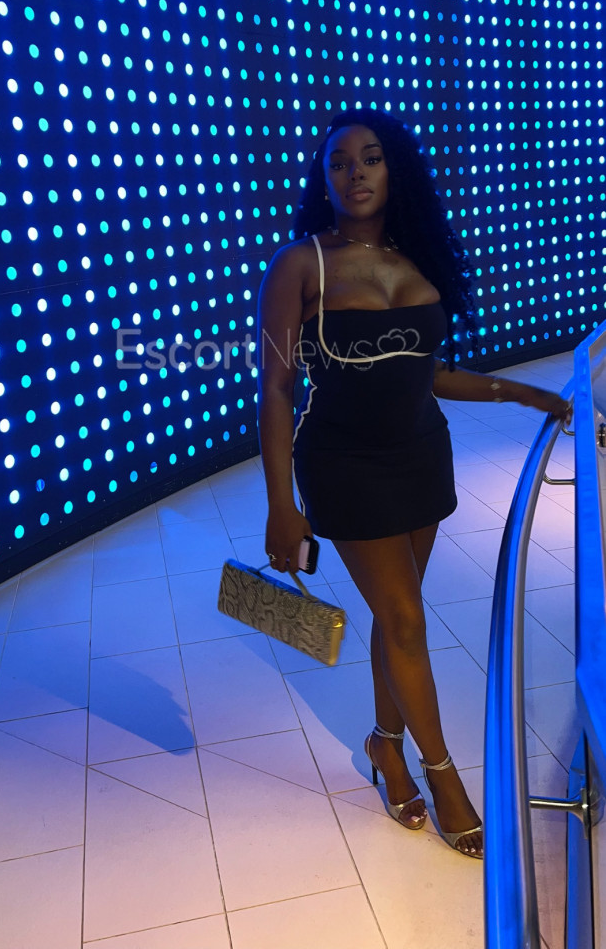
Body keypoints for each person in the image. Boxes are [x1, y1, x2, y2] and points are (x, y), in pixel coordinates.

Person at [256, 105, 571, 860]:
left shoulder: (418, 256)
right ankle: (442, 775)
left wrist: (520, 393)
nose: (355, 173)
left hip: (422, 456)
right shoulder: (301, 265)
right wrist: (280, 505)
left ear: (394, 169)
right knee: (402, 619)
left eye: (370, 158)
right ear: (322, 178)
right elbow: (276, 389)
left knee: (395, 615)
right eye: (338, 162)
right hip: (343, 465)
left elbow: (424, 373)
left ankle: (384, 745)